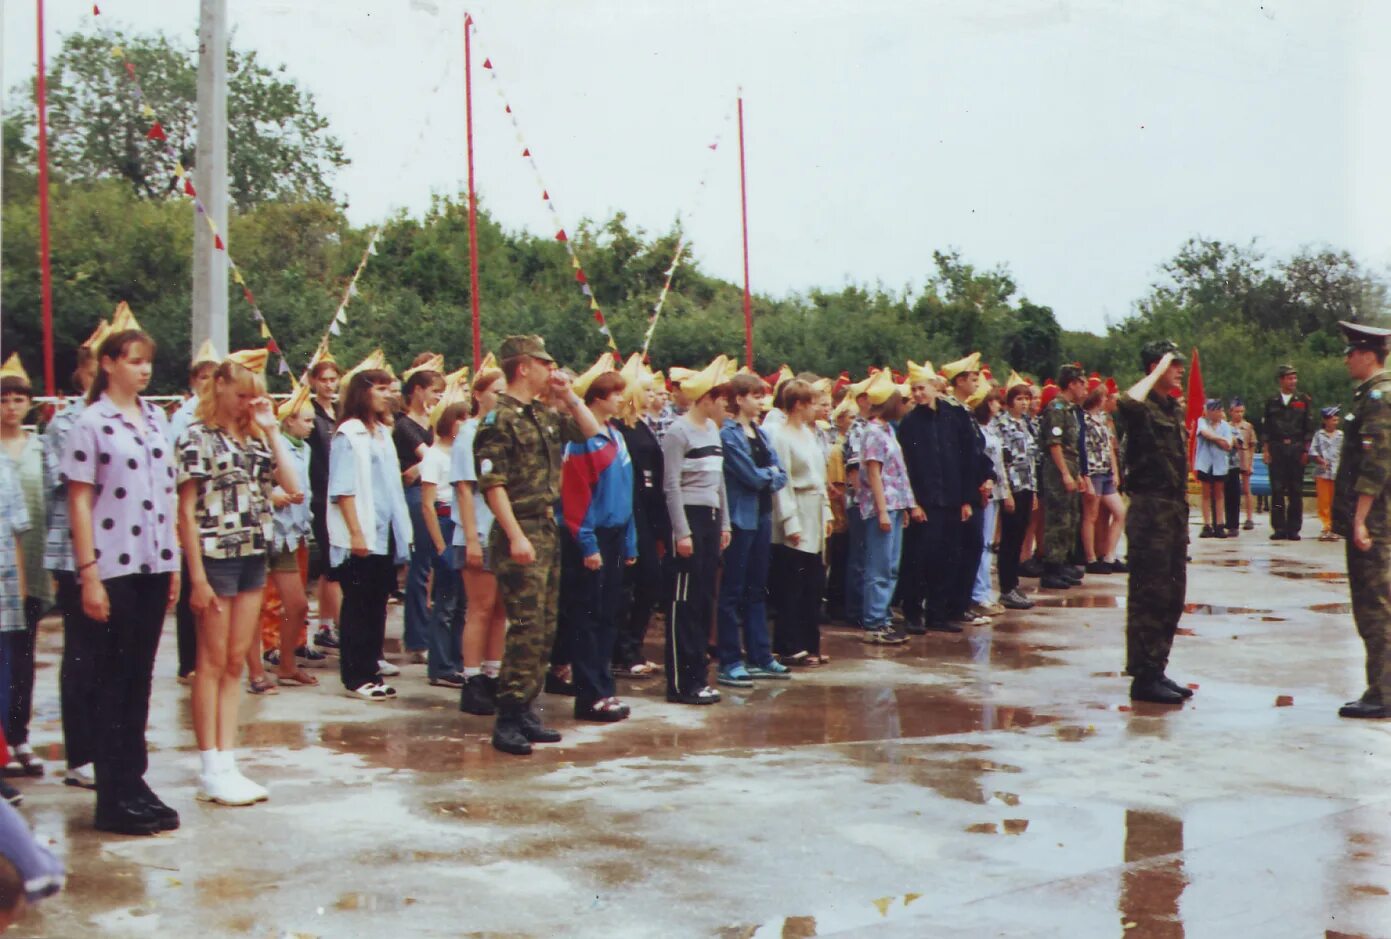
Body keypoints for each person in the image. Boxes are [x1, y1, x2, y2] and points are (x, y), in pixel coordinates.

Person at [62, 324, 182, 835]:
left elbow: (169, 494)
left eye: (147, 361)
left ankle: (134, 782)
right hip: (112, 565)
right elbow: (80, 500)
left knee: (139, 680)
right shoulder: (90, 422)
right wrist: (90, 574)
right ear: (109, 363)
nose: (144, 369)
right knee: (111, 682)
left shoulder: (156, 418)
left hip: (153, 562)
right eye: (134, 360)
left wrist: (173, 562)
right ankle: (112, 796)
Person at [178, 350, 301, 806]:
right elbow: (186, 513)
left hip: (253, 553)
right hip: (214, 556)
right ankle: (210, 762)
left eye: (255, 396)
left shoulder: (254, 438)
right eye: (242, 394)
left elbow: (292, 486)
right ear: (221, 386)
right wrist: (196, 577)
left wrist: (271, 428)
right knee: (210, 663)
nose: (248, 403)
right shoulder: (196, 437)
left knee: (235, 661)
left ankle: (227, 758)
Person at [474, 336, 603, 753]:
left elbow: (591, 431)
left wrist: (569, 396)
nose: (553, 371)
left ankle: (527, 708)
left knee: (545, 625)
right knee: (526, 627)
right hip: (522, 528)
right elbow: (493, 485)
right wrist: (514, 536)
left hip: (546, 528)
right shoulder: (499, 420)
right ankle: (508, 717)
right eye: (545, 365)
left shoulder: (542, 415)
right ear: (524, 367)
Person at [1114, 341, 1192, 705]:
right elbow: (1124, 402)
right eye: (1172, 365)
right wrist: (1155, 371)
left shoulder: (1171, 408)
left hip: (1173, 510)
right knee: (1150, 592)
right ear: (1155, 368)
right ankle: (1143, 676)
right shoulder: (1140, 406)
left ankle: (1158, 667)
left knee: (1172, 593)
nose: (1180, 370)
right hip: (1149, 509)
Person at [328, 367, 413, 702]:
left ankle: (372, 668)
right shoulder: (349, 434)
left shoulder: (381, 432)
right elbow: (344, 489)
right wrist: (355, 532)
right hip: (362, 530)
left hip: (385, 530)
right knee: (358, 604)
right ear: (363, 393)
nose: (386, 394)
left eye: (389, 388)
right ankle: (355, 674)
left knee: (378, 602)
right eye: (380, 388)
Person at [559, 364, 637, 721]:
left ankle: (604, 689)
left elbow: (625, 491)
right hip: (592, 536)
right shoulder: (583, 439)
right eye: (616, 393)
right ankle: (589, 694)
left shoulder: (616, 434)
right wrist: (587, 543)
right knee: (588, 617)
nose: (622, 399)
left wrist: (630, 541)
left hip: (616, 535)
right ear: (597, 398)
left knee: (609, 614)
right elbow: (576, 496)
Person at [43, 329, 102, 791]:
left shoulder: (135, 417)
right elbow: (75, 482)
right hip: (74, 552)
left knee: (115, 656)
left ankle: (110, 750)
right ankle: (80, 754)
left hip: (122, 552)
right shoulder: (66, 422)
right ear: (82, 371)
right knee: (82, 653)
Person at [660, 357, 733, 705]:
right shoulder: (678, 432)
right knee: (684, 603)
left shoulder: (713, 430)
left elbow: (719, 480)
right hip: (688, 516)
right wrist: (681, 532)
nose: (724, 406)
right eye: (721, 399)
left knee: (705, 600)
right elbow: (671, 485)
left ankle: (698, 675)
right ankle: (680, 682)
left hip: (711, 517)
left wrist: (725, 522)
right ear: (706, 398)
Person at [1332, 321, 1391, 720]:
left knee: (1376, 606)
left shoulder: (1378, 397)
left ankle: (1384, 693)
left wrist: (1360, 520)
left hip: (1379, 520)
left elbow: (1377, 463)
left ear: (1369, 354)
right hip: (1381, 518)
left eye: (1351, 352)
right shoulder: (1373, 395)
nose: (1347, 358)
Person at [716, 373, 788, 685]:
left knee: (757, 588)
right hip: (740, 518)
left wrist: (769, 475)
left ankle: (761, 654)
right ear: (740, 398)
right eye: (756, 396)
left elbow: (778, 471)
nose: (761, 402)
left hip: (761, 515)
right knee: (733, 589)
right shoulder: (729, 434)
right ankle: (730, 660)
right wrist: (769, 475)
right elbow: (752, 476)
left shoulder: (759, 431)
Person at [0, 358, 49, 779]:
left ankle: (20, 735)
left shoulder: (40, 448)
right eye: (4, 400)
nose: (11, 407)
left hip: (29, 569)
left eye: (19, 400)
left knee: (22, 659)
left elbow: (49, 511)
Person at [453, 368, 508, 716]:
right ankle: (471, 678)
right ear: (478, 394)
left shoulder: (501, 430)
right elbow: (463, 488)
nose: (500, 400)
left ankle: (493, 672)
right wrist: (472, 538)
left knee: (501, 609)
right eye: (495, 392)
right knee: (480, 607)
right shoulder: (468, 434)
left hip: (502, 532)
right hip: (478, 531)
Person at [170, 340, 221, 685]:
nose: (207, 382)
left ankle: (211, 655)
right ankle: (188, 660)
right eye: (201, 376)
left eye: (212, 376)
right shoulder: (183, 415)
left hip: (219, 511)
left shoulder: (224, 412)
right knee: (192, 585)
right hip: (190, 506)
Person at [770, 379, 831, 665]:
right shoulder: (781, 437)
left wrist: (828, 511)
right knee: (792, 583)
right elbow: (783, 482)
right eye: (810, 404)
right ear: (798, 406)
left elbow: (820, 476)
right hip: (797, 510)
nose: (815, 410)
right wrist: (790, 522)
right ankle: (788, 644)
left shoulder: (808, 433)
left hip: (815, 509)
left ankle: (810, 641)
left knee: (813, 584)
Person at [613, 354, 666, 678]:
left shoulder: (642, 425)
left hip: (647, 509)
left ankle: (633, 644)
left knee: (649, 582)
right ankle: (624, 649)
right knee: (632, 582)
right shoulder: (619, 428)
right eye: (645, 390)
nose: (651, 396)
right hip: (629, 511)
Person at [856, 370, 914, 644]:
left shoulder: (888, 429)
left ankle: (884, 617)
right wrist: (881, 510)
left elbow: (898, 472)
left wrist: (904, 506)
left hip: (895, 505)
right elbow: (875, 473)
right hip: (882, 506)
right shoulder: (873, 433)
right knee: (878, 567)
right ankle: (874, 622)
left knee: (890, 566)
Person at [265, 388, 318, 688]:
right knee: (260, 603)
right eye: (306, 420)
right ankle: (257, 668)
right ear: (288, 422)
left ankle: (287, 663)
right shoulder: (271, 442)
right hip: (268, 528)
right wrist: (275, 496)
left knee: (296, 605)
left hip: (293, 530)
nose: (311, 426)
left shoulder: (305, 449)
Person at [395, 359, 446, 665]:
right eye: (433, 391)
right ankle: (416, 636)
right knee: (421, 566)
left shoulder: (430, 425)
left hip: (432, 491)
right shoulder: (405, 425)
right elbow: (431, 458)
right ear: (417, 391)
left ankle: (429, 634)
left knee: (434, 567)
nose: (437, 398)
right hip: (416, 497)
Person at [418, 399, 468, 688]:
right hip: (446, 522)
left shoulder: (463, 453)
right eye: (460, 418)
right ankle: (440, 665)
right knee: (446, 602)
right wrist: (439, 544)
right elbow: (427, 504)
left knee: (461, 602)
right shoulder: (435, 456)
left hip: (462, 524)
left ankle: (457, 659)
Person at [1039, 365, 1089, 590]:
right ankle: (1050, 567)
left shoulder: (1070, 409)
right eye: (1082, 383)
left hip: (1070, 465)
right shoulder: (1057, 407)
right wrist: (1065, 474)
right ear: (1072, 384)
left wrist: (1076, 474)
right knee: (1058, 519)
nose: (1085, 389)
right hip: (1058, 469)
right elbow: (1054, 444)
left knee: (1070, 518)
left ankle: (1061, 563)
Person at [306, 356, 343, 652]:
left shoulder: (339, 412)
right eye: (324, 380)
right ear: (313, 382)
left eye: (333, 379)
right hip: (321, 494)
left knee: (330, 566)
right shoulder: (312, 414)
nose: (329, 385)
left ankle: (326, 624)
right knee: (332, 564)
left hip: (338, 491)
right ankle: (332, 624)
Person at [995, 377, 1038, 610]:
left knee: (1020, 535)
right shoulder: (1002, 424)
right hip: (1011, 486)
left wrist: (1035, 491)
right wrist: (1006, 492)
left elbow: (1031, 459)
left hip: (1026, 485)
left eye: (1026, 398)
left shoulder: (1027, 424)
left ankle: (1013, 584)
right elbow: (1001, 460)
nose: (1023, 403)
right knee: (1009, 538)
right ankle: (1006, 587)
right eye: (1019, 399)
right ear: (1009, 402)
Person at [969, 386, 1008, 616]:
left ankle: (983, 591)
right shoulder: (977, 429)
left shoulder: (992, 428)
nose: (997, 405)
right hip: (981, 492)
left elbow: (999, 463)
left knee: (987, 544)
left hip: (995, 490)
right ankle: (979, 594)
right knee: (981, 544)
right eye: (993, 401)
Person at [1262, 364, 1313, 540]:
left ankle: (1294, 529)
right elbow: (1267, 428)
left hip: (1296, 448)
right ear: (1281, 379)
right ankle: (1279, 527)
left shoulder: (1303, 400)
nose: (1293, 381)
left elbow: (1308, 427)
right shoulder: (1272, 401)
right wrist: (1266, 450)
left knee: (1295, 490)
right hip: (1277, 448)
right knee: (1276, 489)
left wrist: (1306, 450)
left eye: (1295, 378)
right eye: (1290, 378)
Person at [1080, 385, 1128, 567]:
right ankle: (1091, 557)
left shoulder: (1102, 419)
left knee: (1120, 512)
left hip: (1106, 470)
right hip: (1092, 472)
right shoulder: (1084, 420)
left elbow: (1109, 447)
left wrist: (1114, 471)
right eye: (1104, 396)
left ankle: (1109, 555)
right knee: (1090, 516)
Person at [1193, 399, 1233, 539]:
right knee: (1205, 494)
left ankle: (1220, 524)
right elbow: (1205, 434)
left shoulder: (1226, 426)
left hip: (1220, 464)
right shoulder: (1202, 421)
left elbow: (1229, 445)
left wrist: (1219, 440)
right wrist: (1220, 439)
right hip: (1205, 463)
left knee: (1219, 493)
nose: (1220, 413)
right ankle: (1207, 524)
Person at [1309, 406, 1343, 542]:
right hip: (1323, 473)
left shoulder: (1341, 435)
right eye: (1332, 419)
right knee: (1324, 501)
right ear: (1325, 420)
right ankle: (1326, 527)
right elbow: (1313, 451)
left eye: (1336, 419)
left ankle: (1335, 528)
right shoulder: (1319, 435)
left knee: (1336, 501)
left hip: (1338, 472)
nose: (1335, 421)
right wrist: (1320, 459)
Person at [1225, 398, 1257, 532]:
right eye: (1237, 411)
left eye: (1242, 411)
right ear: (1231, 412)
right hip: (1230, 459)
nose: (1239, 414)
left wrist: (1250, 462)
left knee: (1246, 488)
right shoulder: (1226, 426)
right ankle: (1231, 519)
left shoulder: (1247, 426)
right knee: (1231, 490)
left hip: (1244, 456)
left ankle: (1249, 518)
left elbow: (1252, 445)